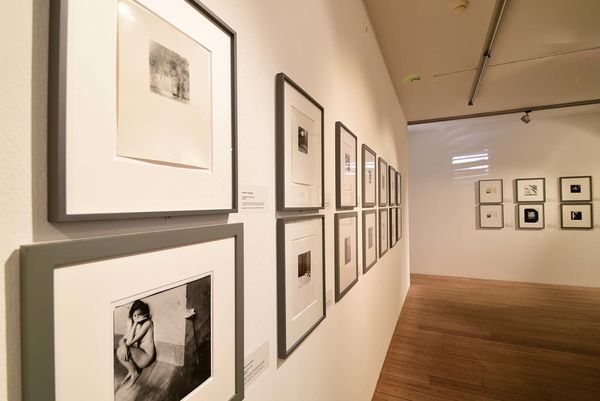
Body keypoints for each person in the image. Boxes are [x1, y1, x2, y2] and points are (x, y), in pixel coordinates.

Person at [116, 300, 156, 388]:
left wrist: (125, 346)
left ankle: (134, 373)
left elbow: (131, 341)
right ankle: (131, 370)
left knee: (121, 350)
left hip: (146, 358)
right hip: (140, 355)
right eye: (134, 315)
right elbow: (122, 341)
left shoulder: (148, 323)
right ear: (132, 316)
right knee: (121, 349)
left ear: (144, 314)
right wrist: (134, 324)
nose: (137, 317)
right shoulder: (137, 325)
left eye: (139, 315)